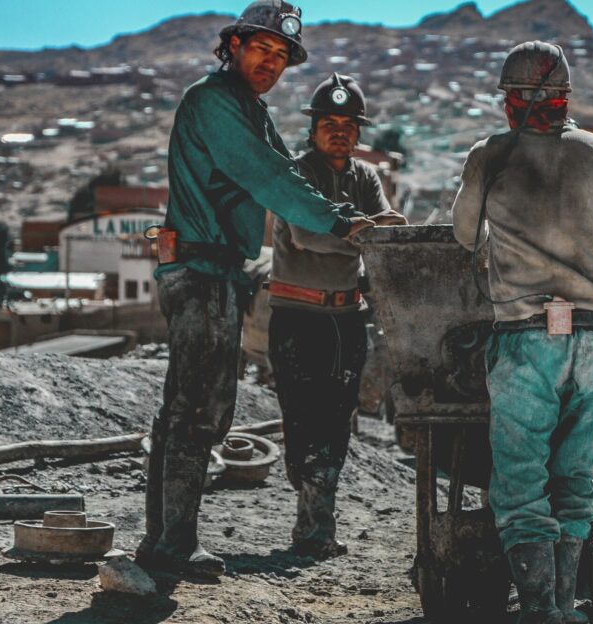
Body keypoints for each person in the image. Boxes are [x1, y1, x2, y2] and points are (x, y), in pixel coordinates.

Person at [136, 0, 387, 577]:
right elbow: (271, 177)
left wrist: (338, 210)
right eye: (262, 49)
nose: (271, 63)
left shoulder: (249, 108)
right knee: (198, 408)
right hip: (199, 270)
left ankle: (165, 540)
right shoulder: (216, 102)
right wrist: (341, 222)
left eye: (281, 55)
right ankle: (172, 545)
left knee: (189, 405)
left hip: (216, 270)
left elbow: (286, 172)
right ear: (233, 46)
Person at [451, 41, 593, 624]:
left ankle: (539, 610)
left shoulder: (489, 155)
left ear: (511, 101)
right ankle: (564, 608)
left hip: (526, 339)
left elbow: (464, 235)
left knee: (520, 483)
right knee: (573, 477)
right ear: (566, 96)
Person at [269, 72, 405, 558]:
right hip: (297, 318)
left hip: (347, 319)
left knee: (336, 420)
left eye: (348, 124)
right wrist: (356, 233)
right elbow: (307, 235)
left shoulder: (364, 177)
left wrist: (368, 231)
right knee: (302, 420)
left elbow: (385, 230)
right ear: (313, 129)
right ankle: (312, 521)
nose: (340, 132)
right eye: (330, 123)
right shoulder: (295, 174)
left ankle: (314, 531)